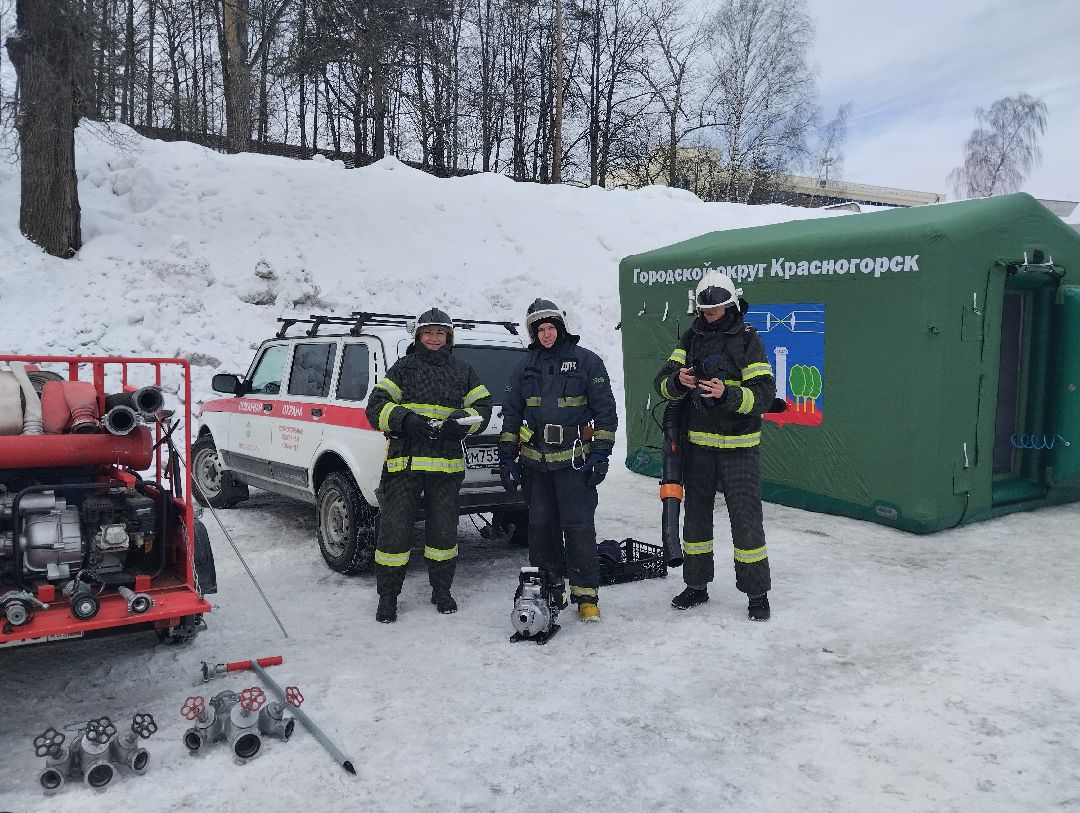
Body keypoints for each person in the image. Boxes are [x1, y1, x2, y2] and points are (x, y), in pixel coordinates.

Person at [653, 271, 775, 621]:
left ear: (731, 305)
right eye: (705, 310)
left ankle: (756, 594)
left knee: (747, 521)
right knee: (695, 522)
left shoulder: (748, 340)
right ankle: (696, 585)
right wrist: (679, 380)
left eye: (716, 309)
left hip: (740, 447)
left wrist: (728, 394)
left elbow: (764, 395)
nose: (709, 315)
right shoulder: (691, 337)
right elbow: (661, 383)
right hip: (700, 448)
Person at [365, 307, 492, 623]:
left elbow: (483, 408)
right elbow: (375, 407)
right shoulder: (404, 368)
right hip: (403, 466)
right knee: (394, 533)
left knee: (444, 533)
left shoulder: (463, 371)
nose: (434, 338)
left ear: (448, 337)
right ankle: (388, 598)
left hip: (446, 467)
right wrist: (405, 420)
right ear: (418, 336)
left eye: (440, 333)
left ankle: (442, 591)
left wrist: (460, 423)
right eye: (428, 332)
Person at [498, 298, 618, 622]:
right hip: (535, 465)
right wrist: (507, 458)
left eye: (551, 328)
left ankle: (586, 597)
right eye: (540, 330)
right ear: (533, 333)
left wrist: (600, 456)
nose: (546, 334)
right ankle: (548, 590)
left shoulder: (586, 362)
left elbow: (606, 413)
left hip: (575, 464)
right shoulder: (524, 367)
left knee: (578, 527)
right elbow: (511, 415)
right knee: (540, 529)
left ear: (561, 328)